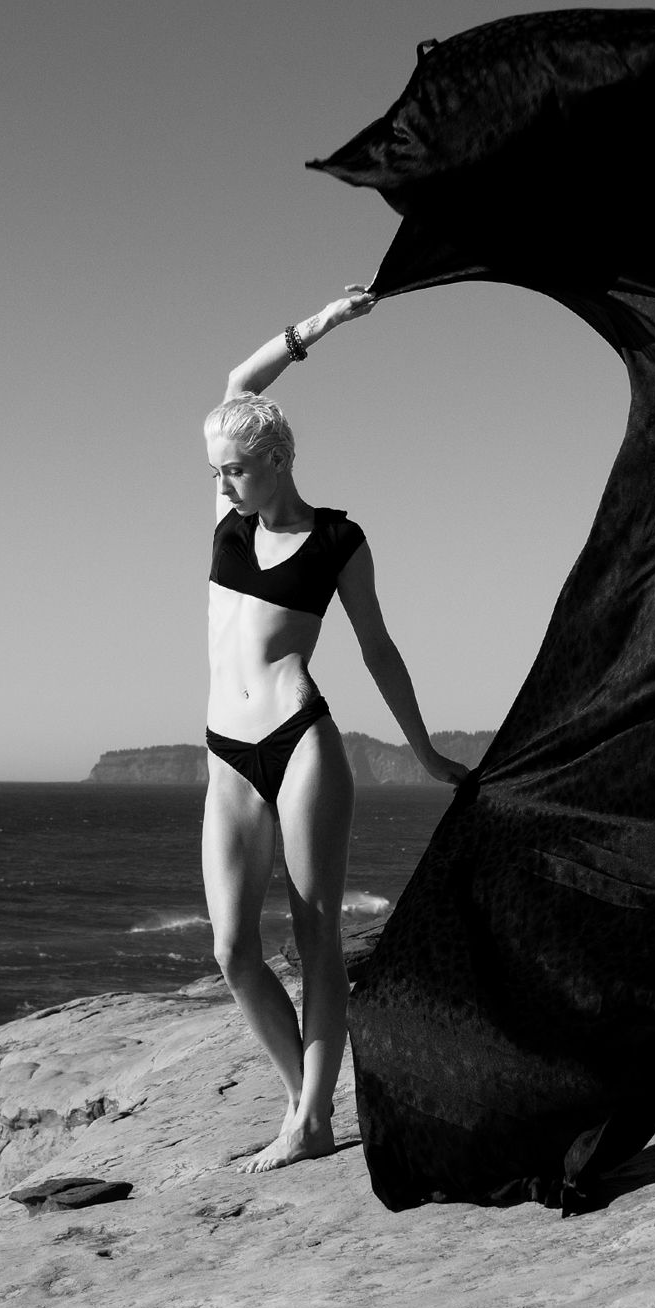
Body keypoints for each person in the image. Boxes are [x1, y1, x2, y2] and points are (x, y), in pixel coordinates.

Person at [202, 286, 470, 1173]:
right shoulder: (229, 520)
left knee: (315, 937)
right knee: (233, 949)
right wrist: (320, 324)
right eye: (216, 471)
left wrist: (424, 750)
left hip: (301, 744)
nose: (221, 483)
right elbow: (240, 380)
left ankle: (312, 1117)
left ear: (276, 461)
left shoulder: (337, 541)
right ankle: (305, 1104)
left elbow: (379, 650)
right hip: (226, 756)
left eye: (235, 469)